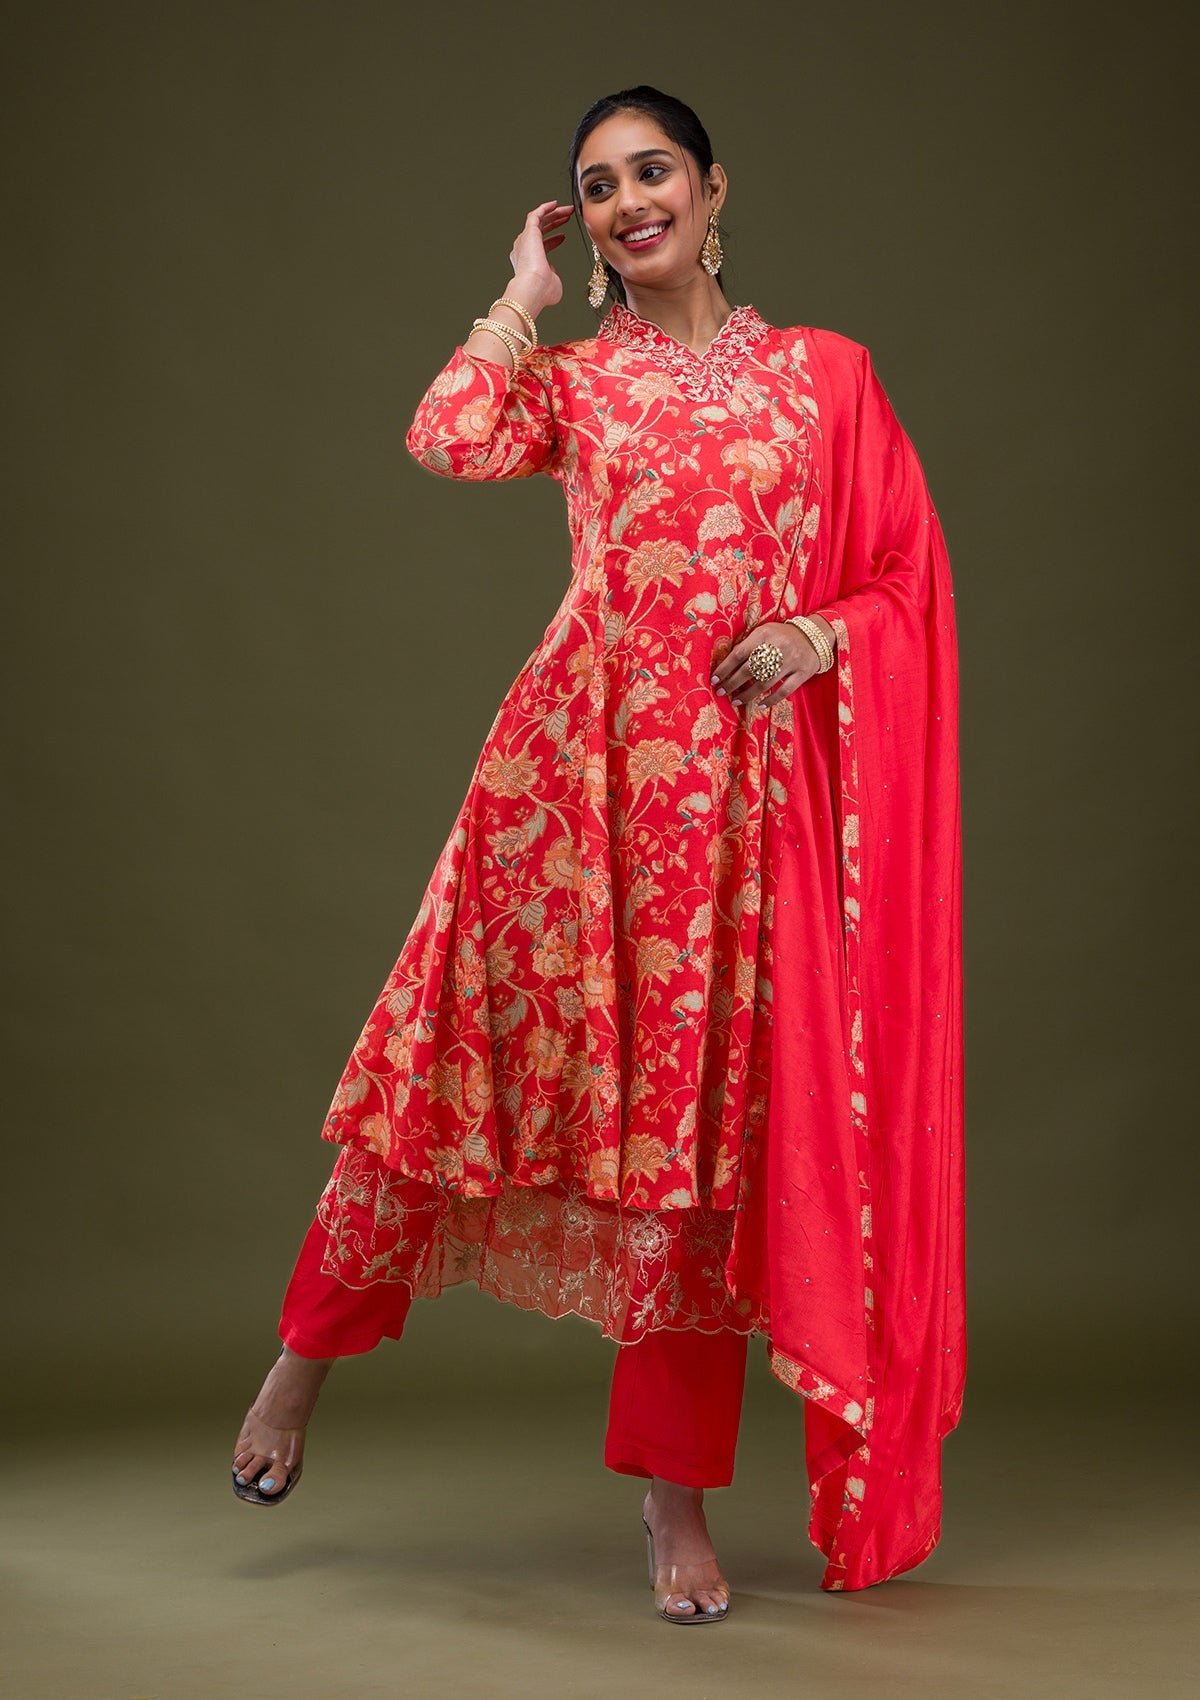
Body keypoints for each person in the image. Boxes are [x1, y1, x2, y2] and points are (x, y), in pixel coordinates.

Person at [231, 85, 966, 1622]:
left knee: (696, 1159)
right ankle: (300, 1363)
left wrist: (819, 634)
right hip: (564, 793)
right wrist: (519, 294)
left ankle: (673, 1506)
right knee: (442, 1074)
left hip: (736, 819)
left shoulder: (823, 378)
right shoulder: (575, 382)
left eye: (654, 172)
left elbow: (904, 573)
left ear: (713, 187)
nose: (632, 203)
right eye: (600, 185)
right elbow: (446, 436)